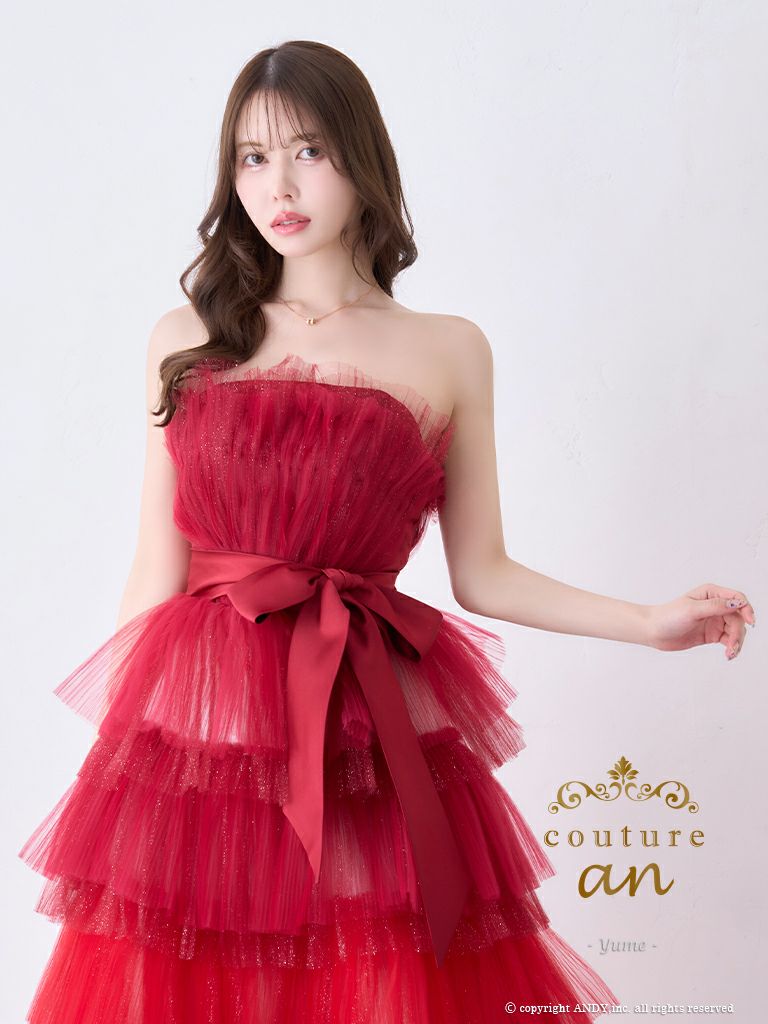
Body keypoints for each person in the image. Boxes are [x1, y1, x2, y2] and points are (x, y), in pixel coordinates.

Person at [18, 39, 754, 1024]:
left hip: (363, 727)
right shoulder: (185, 338)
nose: (277, 186)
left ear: (362, 159)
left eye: (307, 151)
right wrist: (125, 764)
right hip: (210, 737)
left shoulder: (448, 350)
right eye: (251, 158)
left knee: (372, 980)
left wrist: (648, 621)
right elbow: (158, 566)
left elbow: (483, 572)